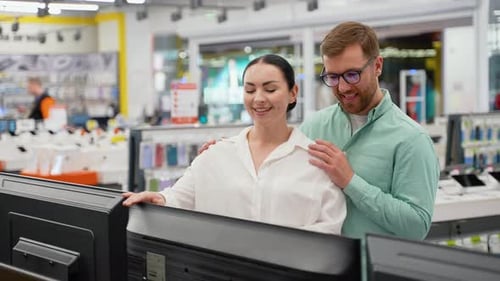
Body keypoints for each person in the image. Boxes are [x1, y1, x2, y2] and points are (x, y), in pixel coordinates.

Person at [123, 54, 346, 234]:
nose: (258, 98)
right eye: (250, 90)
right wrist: (159, 199)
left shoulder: (315, 161)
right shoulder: (216, 154)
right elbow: (179, 197)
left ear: (292, 93)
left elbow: (330, 230)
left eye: (270, 89)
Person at [300, 21, 440, 240]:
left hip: (372, 270)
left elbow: (416, 226)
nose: (343, 87)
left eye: (352, 75)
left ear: (377, 66)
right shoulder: (313, 127)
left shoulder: (412, 139)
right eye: (333, 77)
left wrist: (350, 181)